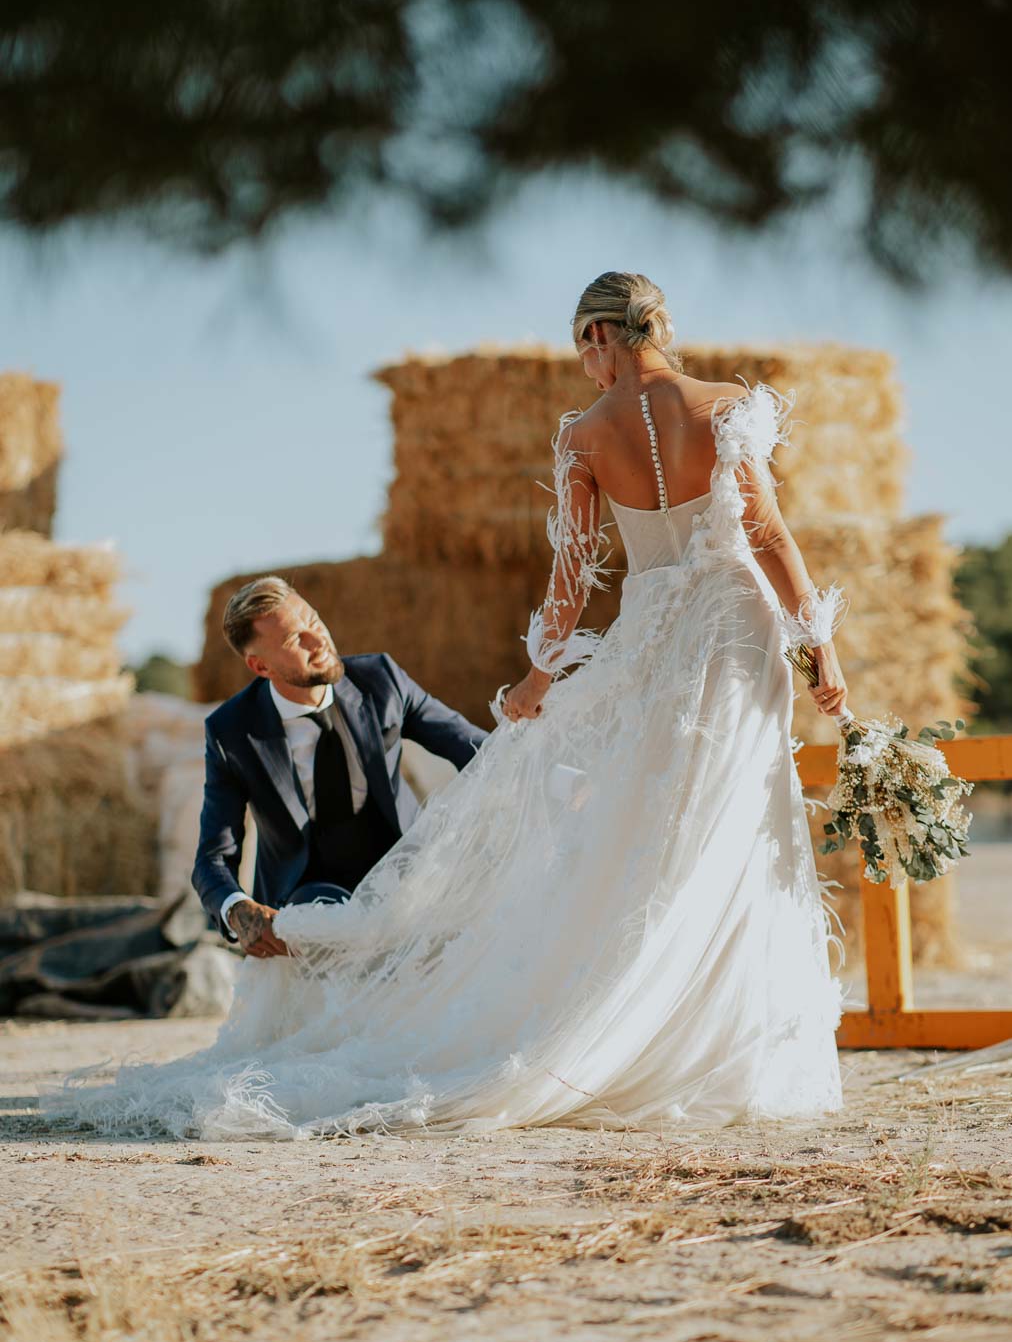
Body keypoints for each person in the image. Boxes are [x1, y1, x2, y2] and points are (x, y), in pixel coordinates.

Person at [46, 271, 849, 1140]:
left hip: (655, 632)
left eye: (581, 346)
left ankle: (653, 1023)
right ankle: (726, 1039)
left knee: (661, 825)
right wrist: (820, 648)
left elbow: (572, 578)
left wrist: (538, 682)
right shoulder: (728, 406)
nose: (581, 364)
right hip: (733, 623)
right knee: (734, 812)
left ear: (597, 339)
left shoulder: (585, 434)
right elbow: (765, 533)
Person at [192, 581, 488, 955]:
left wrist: (560, 783)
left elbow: (475, 747)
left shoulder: (382, 680)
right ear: (260, 666)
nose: (318, 642)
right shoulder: (230, 732)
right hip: (305, 910)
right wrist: (236, 909)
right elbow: (213, 857)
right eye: (294, 641)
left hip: (406, 886)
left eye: (314, 622)